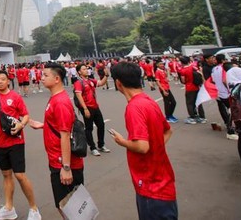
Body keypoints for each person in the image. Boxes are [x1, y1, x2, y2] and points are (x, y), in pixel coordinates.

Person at [110, 62, 178, 220]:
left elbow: (142, 146)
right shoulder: (148, 101)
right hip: (163, 182)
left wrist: (122, 141)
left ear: (118, 83)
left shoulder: (134, 107)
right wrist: (155, 147)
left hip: (150, 186)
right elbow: (168, 130)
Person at [28, 63, 85, 218]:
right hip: (57, 160)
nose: (42, 77)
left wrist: (66, 168)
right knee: (66, 204)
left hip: (64, 163)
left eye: (46, 75)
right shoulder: (55, 99)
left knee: (70, 206)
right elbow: (60, 127)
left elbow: (65, 135)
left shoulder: (60, 102)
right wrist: (44, 126)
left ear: (57, 79)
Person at [0, 70, 41, 220]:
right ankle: (9, 208)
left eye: (3, 79)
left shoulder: (15, 96)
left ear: (8, 81)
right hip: (0, 142)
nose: (0, 82)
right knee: (6, 175)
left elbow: (25, 115)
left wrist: (21, 125)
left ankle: (34, 209)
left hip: (16, 141)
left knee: (20, 175)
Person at [74, 64, 110, 156]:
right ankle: (93, 147)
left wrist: (106, 76)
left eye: (87, 68)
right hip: (87, 107)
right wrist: (85, 109)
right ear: (79, 72)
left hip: (95, 106)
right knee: (89, 127)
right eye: (84, 69)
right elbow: (79, 96)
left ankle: (101, 144)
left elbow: (101, 83)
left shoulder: (90, 80)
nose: (86, 70)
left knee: (101, 125)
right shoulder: (79, 83)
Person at [177, 56, 205, 124]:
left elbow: (183, 81)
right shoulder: (193, 67)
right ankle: (202, 117)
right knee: (198, 102)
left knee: (190, 103)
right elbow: (200, 73)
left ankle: (192, 117)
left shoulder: (183, 70)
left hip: (189, 87)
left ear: (181, 62)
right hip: (196, 86)